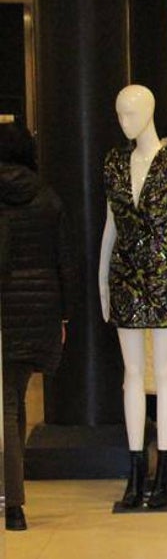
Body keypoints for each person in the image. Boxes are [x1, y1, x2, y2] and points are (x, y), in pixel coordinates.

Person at [98, 84, 167, 510]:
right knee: (132, 374)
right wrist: (103, 280)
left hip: (162, 276)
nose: (124, 122)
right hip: (124, 276)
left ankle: (165, 474)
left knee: (166, 372)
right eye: (119, 114)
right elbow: (111, 226)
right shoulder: (115, 162)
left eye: (130, 113)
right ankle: (135, 472)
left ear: (150, 112)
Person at [0, 123, 78, 530]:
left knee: (9, 404)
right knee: (14, 401)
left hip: (4, 312)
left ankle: (13, 503)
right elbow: (65, 263)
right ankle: (13, 501)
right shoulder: (48, 199)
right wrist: (63, 316)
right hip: (39, 312)